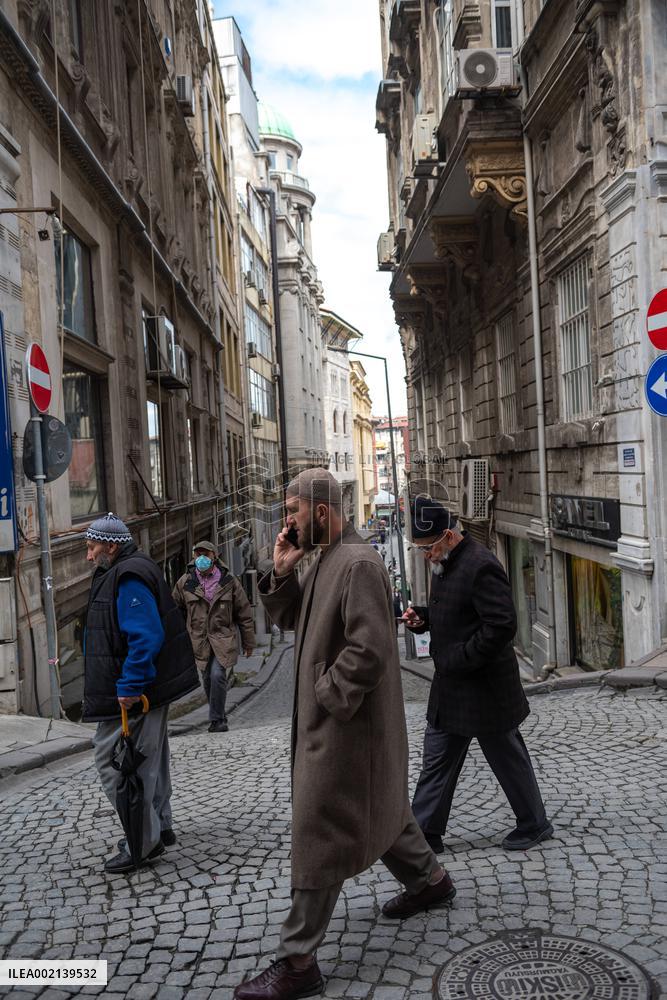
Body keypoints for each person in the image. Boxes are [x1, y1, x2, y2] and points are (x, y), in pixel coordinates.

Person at [234, 470, 455, 1000]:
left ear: (322, 512)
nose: (286, 522)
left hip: (348, 729)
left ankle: (298, 961)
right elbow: (295, 621)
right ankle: (430, 883)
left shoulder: (356, 562)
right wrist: (282, 571)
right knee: (380, 811)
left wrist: (326, 694)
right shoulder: (326, 560)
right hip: (341, 727)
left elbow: (370, 649)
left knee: (320, 828)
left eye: (293, 511)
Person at [402, 497, 552, 853]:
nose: (426, 556)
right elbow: (456, 614)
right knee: (437, 758)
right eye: (420, 549)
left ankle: (534, 823)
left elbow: (501, 626)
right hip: (452, 688)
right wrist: (424, 619)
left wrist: (460, 658)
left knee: (507, 757)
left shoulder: (481, 564)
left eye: (429, 548)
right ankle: (424, 835)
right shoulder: (443, 563)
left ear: (449, 536)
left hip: (485, 690)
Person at [82, 513, 199, 875]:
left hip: (135, 692)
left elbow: (146, 636)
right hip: (146, 688)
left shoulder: (128, 575)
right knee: (151, 760)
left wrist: (130, 686)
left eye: (92, 547)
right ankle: (158, 826)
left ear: (111, 546)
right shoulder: (131, 567)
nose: (88, 556)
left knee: (114, 762)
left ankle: (143, 842)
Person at [172, 541, 255, 733]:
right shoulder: (185, 582)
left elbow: (243, 612)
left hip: (222, 639)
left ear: (214, 556)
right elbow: (175, 610)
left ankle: (218, 720)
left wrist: (249, 642)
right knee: (208, 679)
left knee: (217, 675)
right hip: (199, 641)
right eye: (197, 554)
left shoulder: (229, 581)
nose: (201, 558)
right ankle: (218, 715)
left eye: (205, 554)